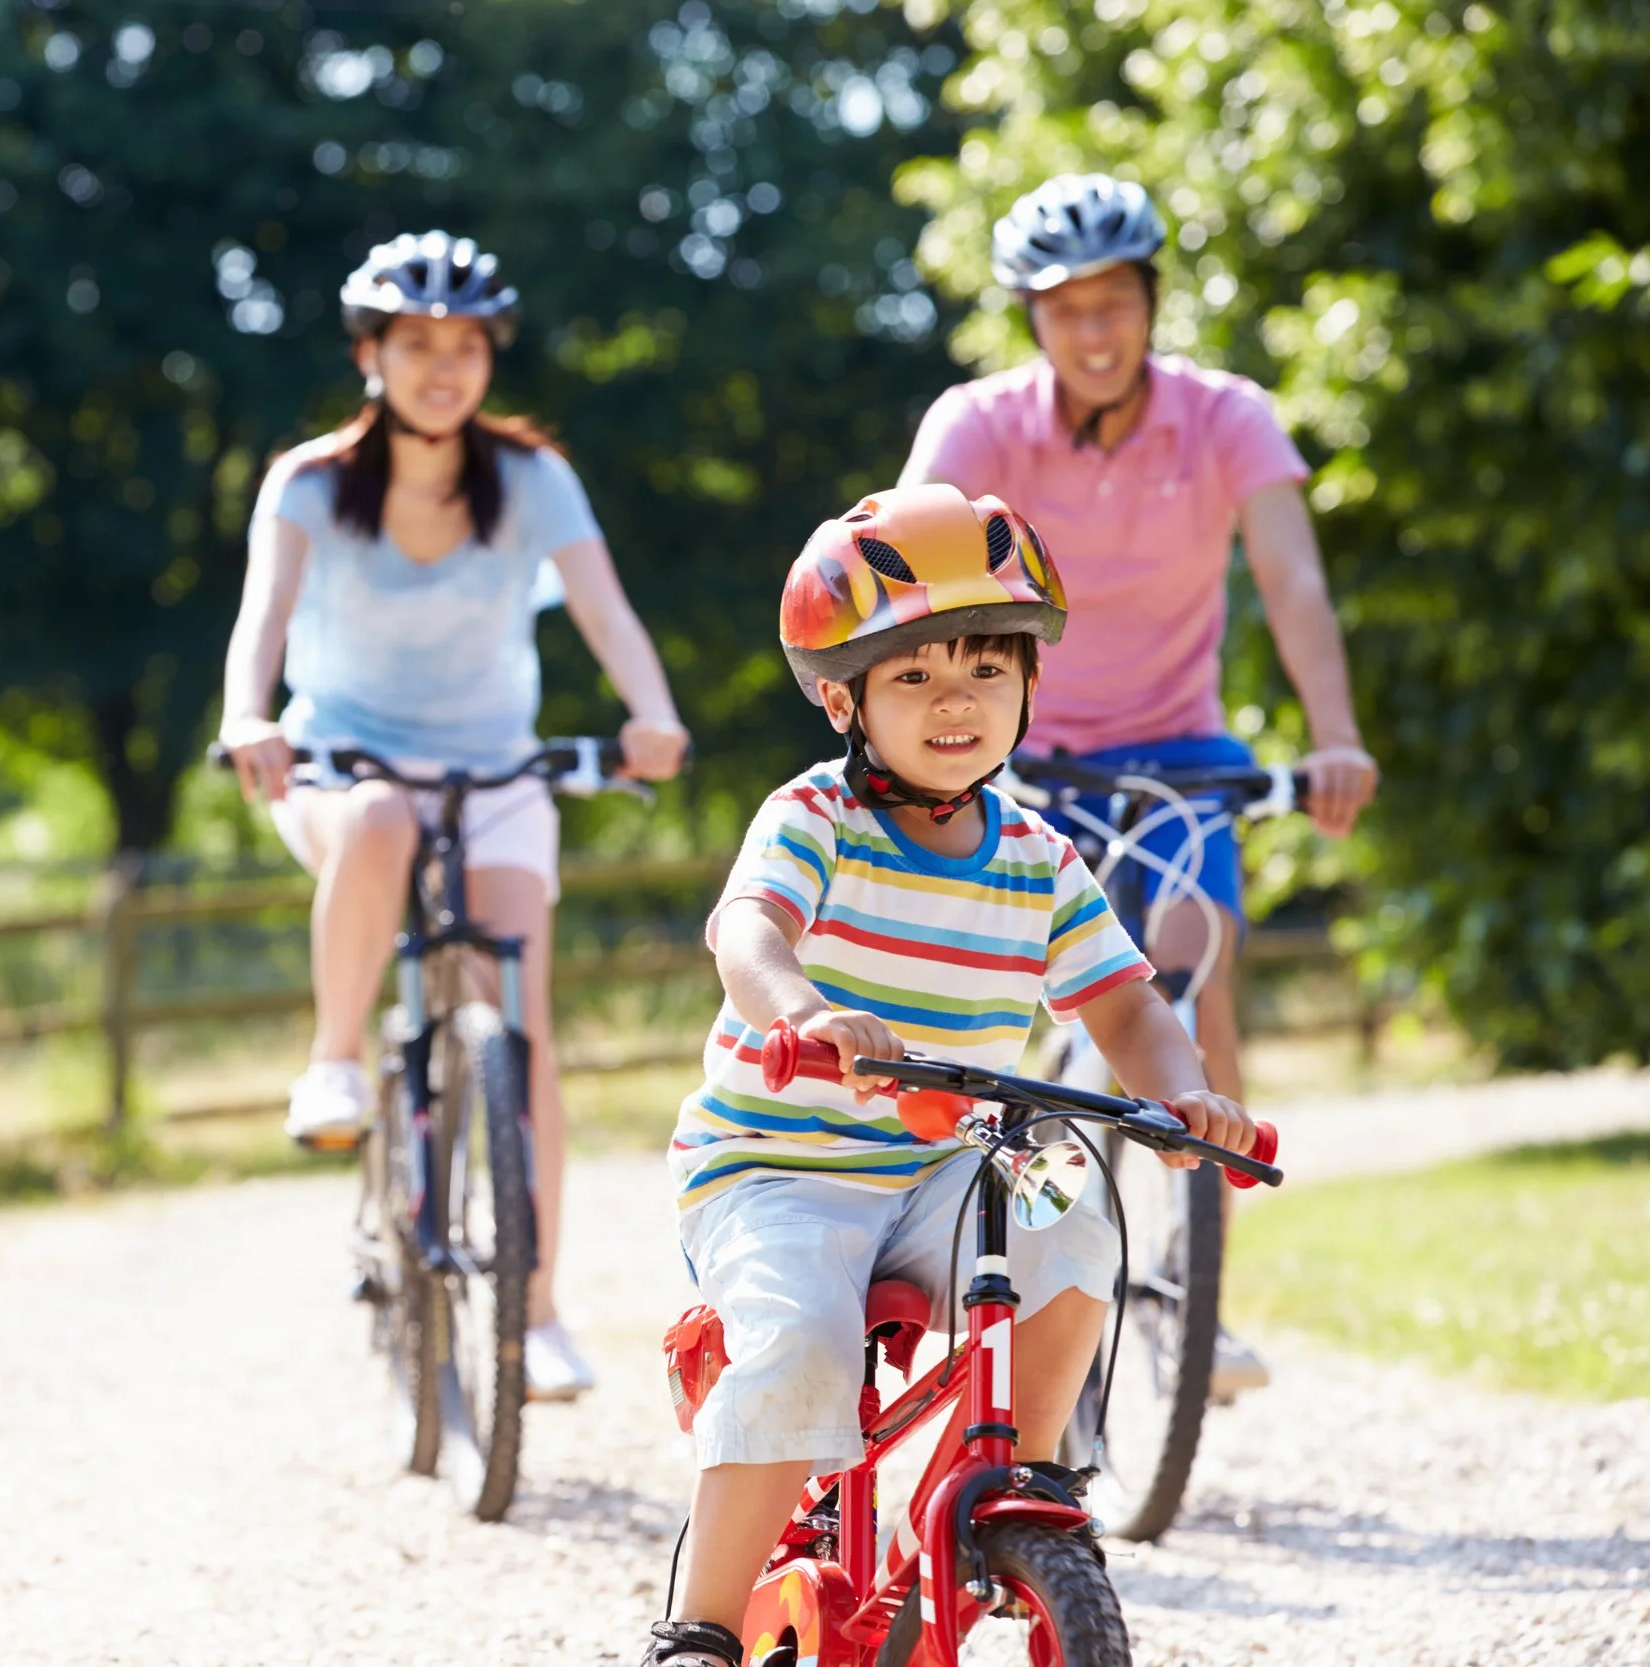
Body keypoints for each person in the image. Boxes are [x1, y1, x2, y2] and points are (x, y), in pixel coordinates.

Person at [639, 485, 1255, 1667]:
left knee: (1072, 1206)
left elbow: (1125, 999)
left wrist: (1181, 1091)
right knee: (801, 1342)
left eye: (984, 665)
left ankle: (1017, 1479)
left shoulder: (1036, 854)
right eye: (912, 674)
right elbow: (746, 932)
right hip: (780, 1166)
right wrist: (806, 1010)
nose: (955, 698)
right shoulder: (811, 815)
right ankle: (699, 1627)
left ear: (1029, 683)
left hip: (948, 1161)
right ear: (843, 698)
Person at [899, 172, 1378, 1397]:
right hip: (1024, 753)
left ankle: (1189, 1286)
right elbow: (910, 565)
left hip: (1177, 749)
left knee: (1189, 951)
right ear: (1031, 320)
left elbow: (1294, 586)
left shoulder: (1225, 418)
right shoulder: (980, 422)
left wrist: (1333, 734)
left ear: (1151, 303)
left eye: (1115, 302)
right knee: (1014, 1011)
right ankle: (1026, 1249)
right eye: (1066, 309)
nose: (1095, 331)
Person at [218, 230, 689, 1402]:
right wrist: (247, 716)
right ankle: (334, 1064)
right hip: (342, 762)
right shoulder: (312, 483)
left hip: (494, 773)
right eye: (415, 344)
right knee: (376, 821)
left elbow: (606, 610)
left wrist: (652, 711)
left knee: (516, 1025)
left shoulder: (531, 479)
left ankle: (534, 1312)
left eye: (465, 346)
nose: (442, 367)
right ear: (370, 353)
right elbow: (261, 618)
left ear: (489, 359)